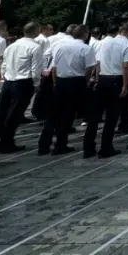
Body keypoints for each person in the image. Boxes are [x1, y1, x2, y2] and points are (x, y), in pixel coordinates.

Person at [0, 22, 44, 154]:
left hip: (9, 80)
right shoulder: (35, 47)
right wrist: (36, 84)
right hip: (23, 82)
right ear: (35, 31)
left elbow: (3, 64)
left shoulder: (12, 45)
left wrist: (4, 77)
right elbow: (36, 69)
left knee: (0, 113)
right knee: (14, 114)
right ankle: (6, 142)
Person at [38, 24, 95, 156]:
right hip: (77, 80)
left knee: (54, 115)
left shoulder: (60, 47)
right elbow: (89, 69)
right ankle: (69, 145)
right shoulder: (86, 48)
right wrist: (85, 82)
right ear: (85, 34)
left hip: (61, 81)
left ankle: (44, 144)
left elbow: (54, 67)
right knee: (77, 115)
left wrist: (55, 82)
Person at [84, 22, 128, 158]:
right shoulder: (127, 45)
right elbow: (126, 67)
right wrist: (125, 85)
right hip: (116, 79)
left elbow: (98, 63)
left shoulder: (104, 43)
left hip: (103, 78)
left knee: (95, 115)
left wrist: (97, 78)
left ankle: (88, 147)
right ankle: (106, 147)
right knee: (111, 117)